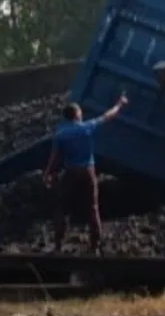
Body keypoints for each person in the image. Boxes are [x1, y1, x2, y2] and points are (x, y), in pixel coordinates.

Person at [44, 96, 128, 255]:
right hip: (88, 172)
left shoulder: (61, 134)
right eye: (80, 112)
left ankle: (57, 245)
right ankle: (95, 246)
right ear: (76, 115)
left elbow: (54, 157)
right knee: (93, 207)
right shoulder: (86, 127)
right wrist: (119, 104)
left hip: (71, 173)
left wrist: (48, 173)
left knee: (63, 208)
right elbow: (108, 116)